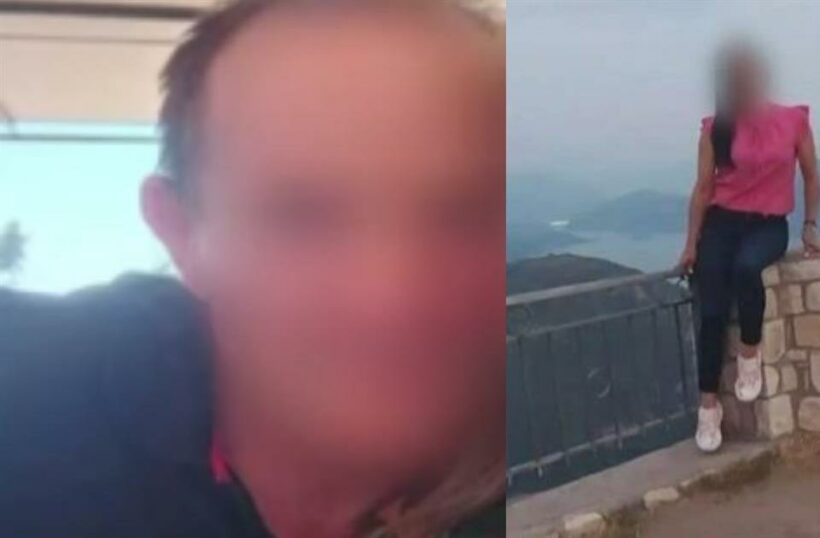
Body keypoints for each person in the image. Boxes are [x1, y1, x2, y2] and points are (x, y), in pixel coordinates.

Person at [0, 1, 505, 536]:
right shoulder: (33, 396)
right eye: (300, 218)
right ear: (182, 234)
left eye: (468, 213)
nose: (389, 298)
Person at [678, 40, 820, 453]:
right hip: (721, 223)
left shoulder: (792, 121)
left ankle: (749, 352)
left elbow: (811, 176)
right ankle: (708, 407)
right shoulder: (716, 128)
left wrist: (810, 227)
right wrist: (691, 243)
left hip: (768, 225)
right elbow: (703, 188)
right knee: (711, 311)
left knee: (747, 269)